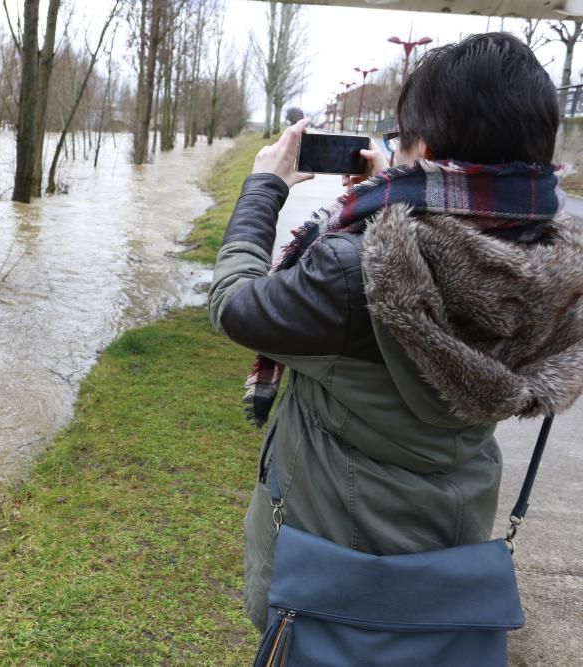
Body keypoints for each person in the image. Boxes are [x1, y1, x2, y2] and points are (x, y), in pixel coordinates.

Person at [208, 32, 583, 631]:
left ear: (425, 148)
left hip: (329, 575)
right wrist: (402, 191)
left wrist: (265, 189)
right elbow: (459, 227)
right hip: (445, 557)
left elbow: (234, 305)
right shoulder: (553, 264)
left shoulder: (356, 270)